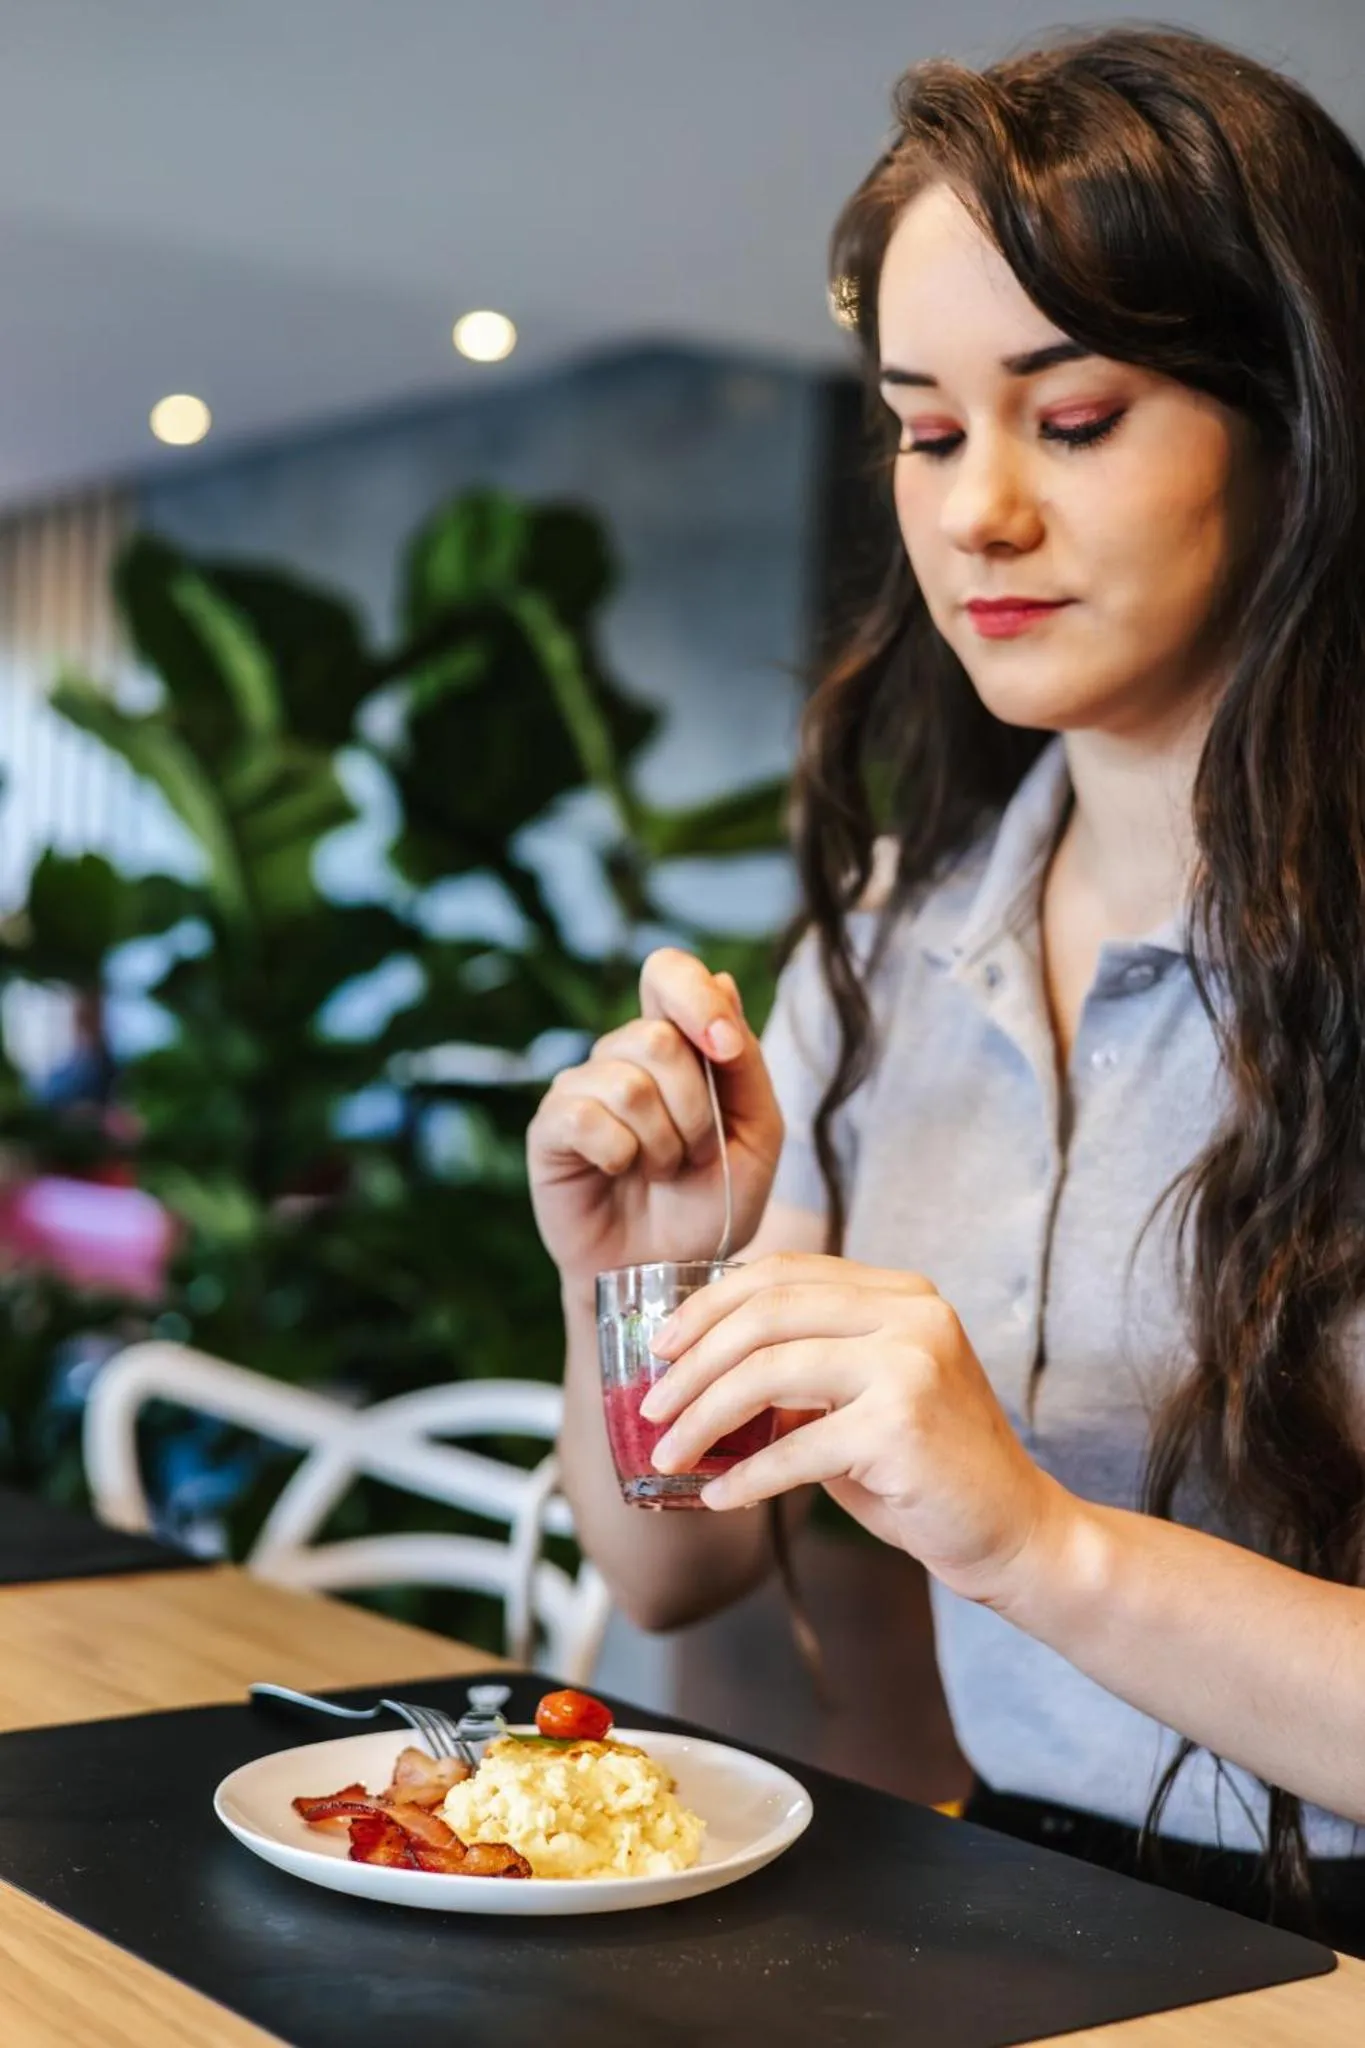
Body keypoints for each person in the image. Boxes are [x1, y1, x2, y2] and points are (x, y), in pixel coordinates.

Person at [528, 26, 1365, 1947]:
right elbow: (675, 1579)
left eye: (1072, 420)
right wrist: (635, 1281)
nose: (976, 511)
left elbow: (1016, 1551)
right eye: (924, 428)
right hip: (1020, 1907)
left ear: (1306, 421)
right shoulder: (895, 954)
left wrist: (1035, 1544)